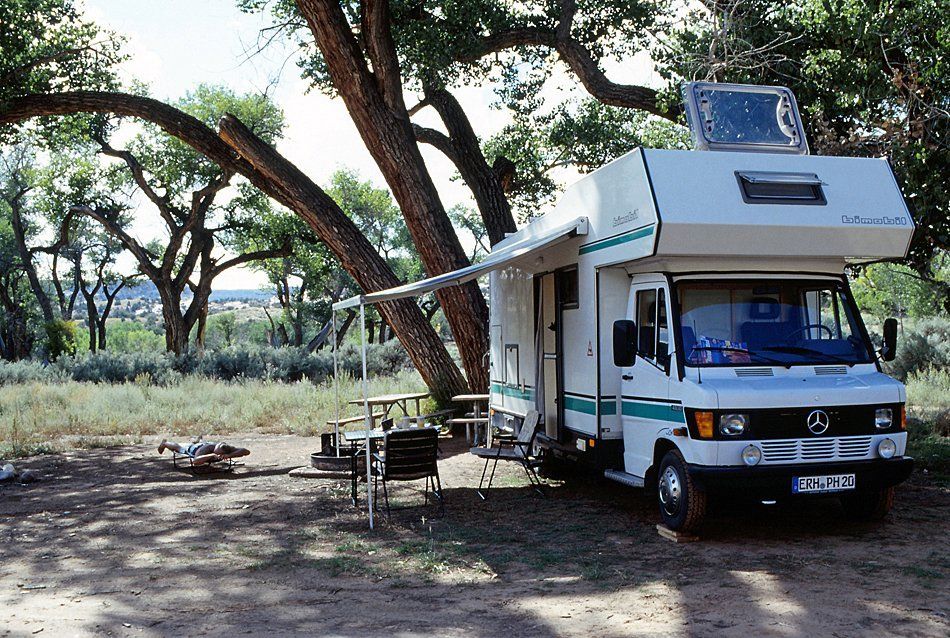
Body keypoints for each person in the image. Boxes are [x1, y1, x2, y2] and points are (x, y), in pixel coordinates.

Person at [157, 439, 250, 466]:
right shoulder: (207, 448)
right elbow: (195, 461)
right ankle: (165, 443)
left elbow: (246, 451)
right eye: (217, 453)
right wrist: (211, 455)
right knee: (178, 447)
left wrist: (229, 455)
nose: (218, 455)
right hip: (192, 449)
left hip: (202, 446)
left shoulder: (227, 448)